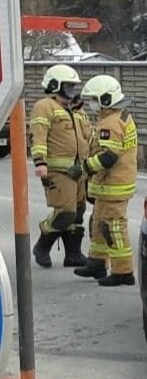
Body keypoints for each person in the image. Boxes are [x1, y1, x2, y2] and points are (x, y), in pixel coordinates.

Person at [73, 75, 139, 287]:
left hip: (114, 185)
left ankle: (123, 271)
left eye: (94, 99)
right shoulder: (121, 116)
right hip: (111, 185)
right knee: (99, 222)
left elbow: (109, 157)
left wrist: (83, 168)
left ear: (106, 99)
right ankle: (97, 262)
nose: (91, 104)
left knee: (113, 228)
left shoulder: (110, 123)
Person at [30, 64, 91, 269]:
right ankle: (43, 243)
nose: (72, 90)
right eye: (68, 86)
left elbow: (87, 137)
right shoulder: (45, 106)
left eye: (74, 86)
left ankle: (73, 255)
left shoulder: (77, 109)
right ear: (55, 85)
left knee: (79, 212)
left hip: (79, 170)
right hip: (57, 171)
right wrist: (40, 161)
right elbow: (38, 135)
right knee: (66, 212)